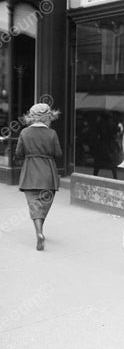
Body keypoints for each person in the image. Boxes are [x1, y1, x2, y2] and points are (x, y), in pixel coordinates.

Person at [15, 103, 62, 251]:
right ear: (48, 117)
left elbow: (18, 153)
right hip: (48, 174)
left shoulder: (24, 133)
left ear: (32, 117)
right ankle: (40, 231)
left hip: (29, 174)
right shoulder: (52, 134)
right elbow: (58, 154)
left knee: (34, 205)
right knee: (44, 204)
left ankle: (39, 232)